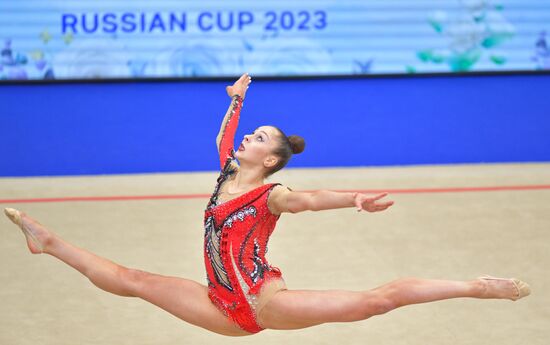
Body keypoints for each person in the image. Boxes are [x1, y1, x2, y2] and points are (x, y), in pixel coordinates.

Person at [4, 73, 530, 337]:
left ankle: (475, 286)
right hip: (218, 300)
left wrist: (354, 200)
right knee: (133, 280)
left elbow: (308, 199)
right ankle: (47, 242)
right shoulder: (229, 172)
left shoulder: (270, 194)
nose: (246, 140)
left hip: (260, 301)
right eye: (252, 135)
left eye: (258, 138)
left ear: (272, 160)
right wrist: (236, 100)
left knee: (378, 301)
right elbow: (224, 135)